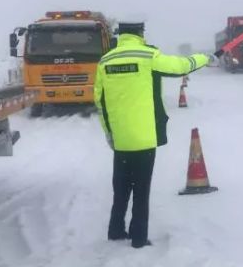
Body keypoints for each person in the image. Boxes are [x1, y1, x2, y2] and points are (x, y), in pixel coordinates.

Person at [93, 22, 217, 248]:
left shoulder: (106, 61)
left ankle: (115, 230)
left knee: (120, 189)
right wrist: (205, 58)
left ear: (121, 35)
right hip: (144, 138)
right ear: (140, 34)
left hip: (120, 140)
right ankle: (139, 238)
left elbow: (99, 102)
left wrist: (109, 133)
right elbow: (181, 66)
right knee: (141, 191)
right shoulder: (147, 55)